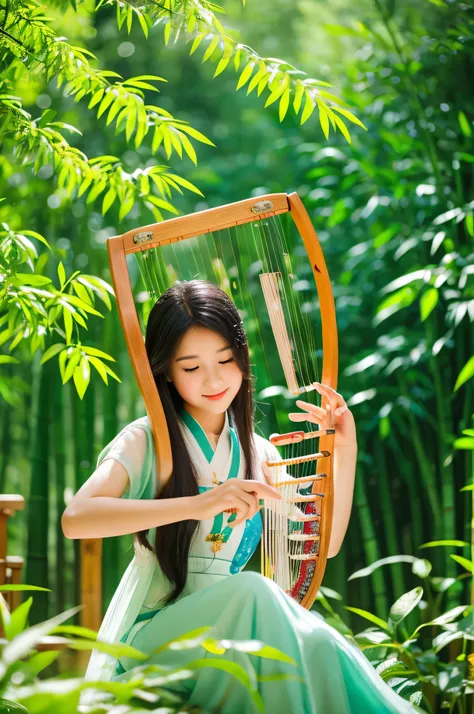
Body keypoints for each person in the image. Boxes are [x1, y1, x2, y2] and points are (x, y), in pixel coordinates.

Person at [62, 280, 419, 714]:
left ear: (243, 359)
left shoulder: (259, 452)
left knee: (319, 640)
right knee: (254, 591)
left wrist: (346, 450)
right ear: (166, 373)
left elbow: (323, 544)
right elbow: (77, 517)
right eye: (191, 368)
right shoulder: (147, 439)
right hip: (153, 636)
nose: (213, 380)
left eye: (226, 360)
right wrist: (200, 503)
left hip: (238, 628)